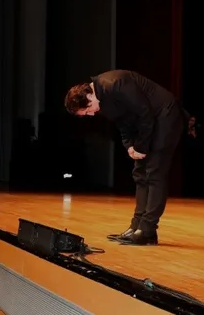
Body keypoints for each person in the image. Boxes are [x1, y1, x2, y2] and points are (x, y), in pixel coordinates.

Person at [64, 70, 186, 245]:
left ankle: (147, 230)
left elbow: (145, 113)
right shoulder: (102, 100)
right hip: (149, 122)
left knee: (154, 172)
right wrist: (130, 146)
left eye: (88, 110)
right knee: (140, 173)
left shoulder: (114, 85)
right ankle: (136, 226)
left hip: (165, 115)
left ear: (89, 96)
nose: (91, 114)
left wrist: (141, 147)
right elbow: (123, 122)